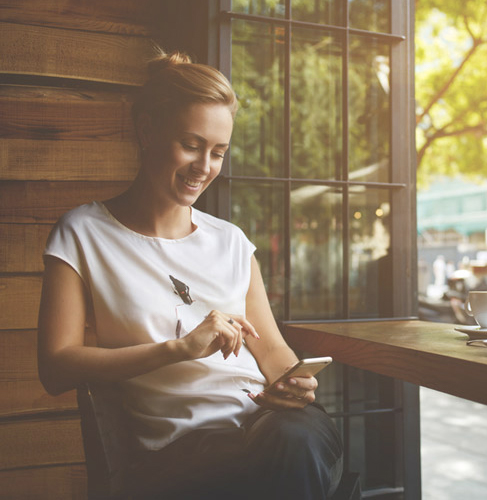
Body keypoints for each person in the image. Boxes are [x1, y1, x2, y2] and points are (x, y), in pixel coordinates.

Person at [37, 49, 342, 499]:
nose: (205, 167)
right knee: (285, 460)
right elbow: (56, 367)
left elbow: (270, 347)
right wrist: (178, 349)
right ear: (147, 131)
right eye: (191, 145)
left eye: (218, 152)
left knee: (295, 440)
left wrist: (291, 384)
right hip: (180, 451)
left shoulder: (231, 241)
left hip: (270, 427)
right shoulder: (83, 233)